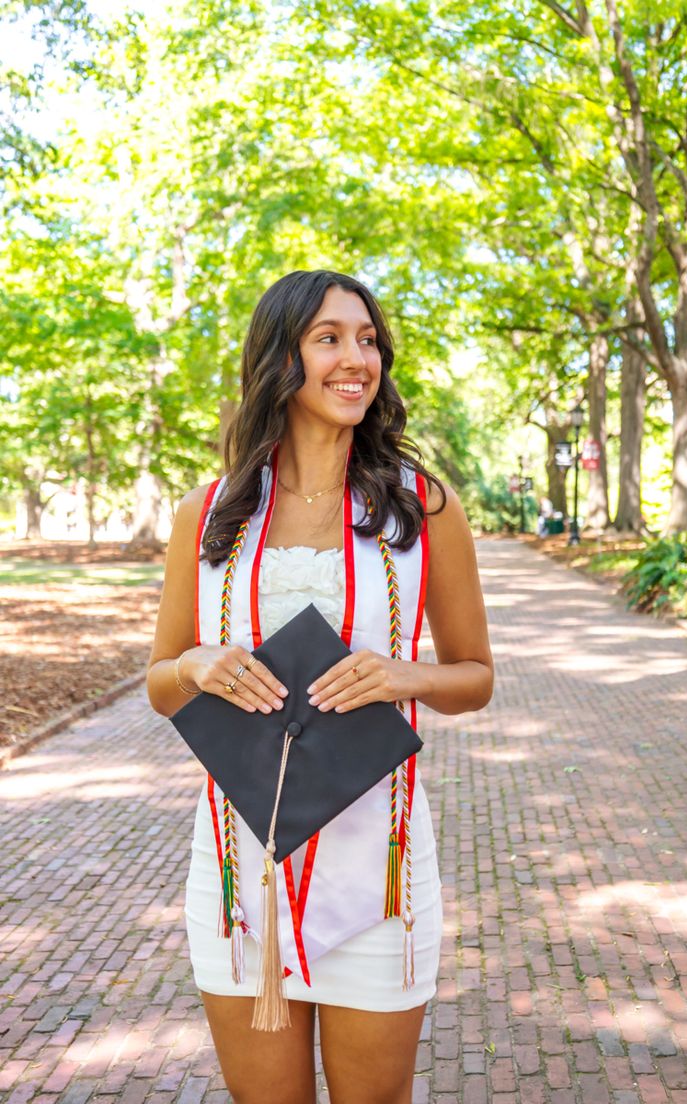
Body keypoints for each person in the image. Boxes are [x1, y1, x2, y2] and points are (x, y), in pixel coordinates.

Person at [147, 269, 494, 1104]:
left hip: (380, 869)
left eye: (368, 339)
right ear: (280, 358)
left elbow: (474, 676)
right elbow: (161, 684)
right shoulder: (212, 509)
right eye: (329, 338)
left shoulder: (422, 506)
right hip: (238, 870)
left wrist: (402, 675)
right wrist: (198, 666)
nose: (357, 358)